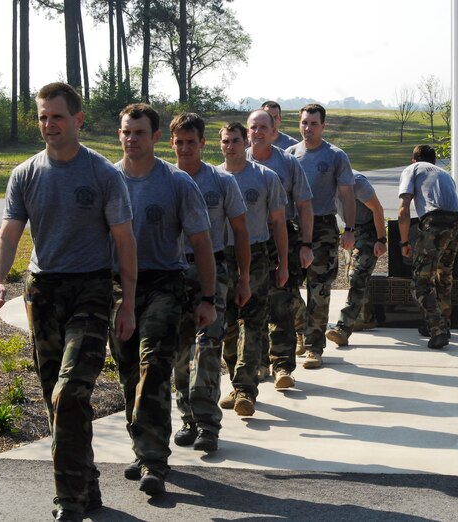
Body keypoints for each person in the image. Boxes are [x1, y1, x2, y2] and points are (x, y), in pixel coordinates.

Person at [0, 82, 137, 522]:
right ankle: (85, 482)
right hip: (43, 292)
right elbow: (8, 234)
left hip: (90, 289)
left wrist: (126, 304)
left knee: (70, 391)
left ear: (78, 120)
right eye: (42, 117)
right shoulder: (26, 174)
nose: (48, 125)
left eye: (57, 116)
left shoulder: (103, 174)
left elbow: (125, 243)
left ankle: (67, 500)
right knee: (56, 395)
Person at [109, 103, 215, 496]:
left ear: (156, 137)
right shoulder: (108, 179)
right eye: (125, 132)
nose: (131, 139)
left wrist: (207, 297)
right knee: (129, 374)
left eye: (139, 132)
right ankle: (142, 450)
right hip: (119, 288)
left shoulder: (176, 183)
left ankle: (155, 461)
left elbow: (202, 243)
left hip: (164, 284)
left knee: (154, 366)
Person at [170, 113, 252, 442]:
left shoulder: (221, 182)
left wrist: (244, 278)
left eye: (192, 141)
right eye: (180, 142)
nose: (186, 148)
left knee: (208, 344)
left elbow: (241, 231)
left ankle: (207, 423)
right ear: (172, 142)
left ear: (203, 143)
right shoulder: (165, 179)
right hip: (173, 271)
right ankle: (187, 418)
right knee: (178, 348)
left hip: (212, 271)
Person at [219, 122, 288, 415]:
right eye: (226, 141)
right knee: (228, 325)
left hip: (258, 254)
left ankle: (246, 388)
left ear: (245, 141)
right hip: (223, 256)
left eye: (236, 140)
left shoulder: (265, 177)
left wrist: (284, 263)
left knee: (253, 321)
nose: (231, 146)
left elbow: (279, 224)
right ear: (219, 144)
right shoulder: (214, 177)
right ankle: (237, 383)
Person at [245, 109, 313, 389]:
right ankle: (259, 362)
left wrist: (306, 245)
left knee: (281, 302)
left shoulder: (288, 164)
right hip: (247, 242)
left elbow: (305, 206)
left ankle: (283, 366)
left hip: (281, 236)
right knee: (251, 305)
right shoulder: (237, 160)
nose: (258, 132)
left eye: (263, 127)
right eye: (253, 128)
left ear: (274, 132)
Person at [287, 103, 356, 369]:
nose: (308, 128)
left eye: (313, 124)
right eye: (304, 123)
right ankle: (303, 330)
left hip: (323, 226)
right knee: (285, 288)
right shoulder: (290, 154)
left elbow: (347, 194)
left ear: (323, 126)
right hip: (293, 228)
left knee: (319, 289)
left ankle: (314, 346)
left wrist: (349, 228)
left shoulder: (336, 156)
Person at [397, 144, 458, 349]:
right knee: (443, 274)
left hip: (435, 223)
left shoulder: (412, 170)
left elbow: (403, 210)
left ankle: (436, 330)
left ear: (414, 160)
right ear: (434, 161)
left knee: (421, 281)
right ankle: (444, 324)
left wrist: (404, 242)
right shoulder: (445, 174)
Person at [325, 171, 387, 346]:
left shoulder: (357, 182)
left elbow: (377, 209)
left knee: (357, 276)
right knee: (353, 277)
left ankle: (343, 328)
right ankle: (365, 317)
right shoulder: (325, 181)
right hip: (350, 230)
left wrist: (381, 240)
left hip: (368, 229)